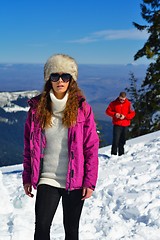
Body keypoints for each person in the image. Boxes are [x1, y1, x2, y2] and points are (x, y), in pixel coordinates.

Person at [22, 53, 99, 240]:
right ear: (49, 79)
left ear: (72, 80)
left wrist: (89, 181)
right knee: (41, 228)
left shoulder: (82, 109)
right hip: (47, 178)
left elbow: (91, 147)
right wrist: (27, 176)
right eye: (55, 76)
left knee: (71, 231)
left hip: (75, 180)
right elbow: (28, 146)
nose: (60, 81)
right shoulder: (37, 108)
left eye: (66, 76)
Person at [105, 91, 135, 156]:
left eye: (123, 99)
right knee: (115, 140)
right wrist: (115, 114)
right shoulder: (113, 103)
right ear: (119, 97)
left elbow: (133, 113)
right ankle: (113, 154)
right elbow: (107, 111)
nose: (122, 101)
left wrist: (125, 116)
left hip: (125, 124)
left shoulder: (129, 104)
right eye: (121, 99)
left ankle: (121, 154)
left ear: (125, 98)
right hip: (117, 124)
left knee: (123, 140)